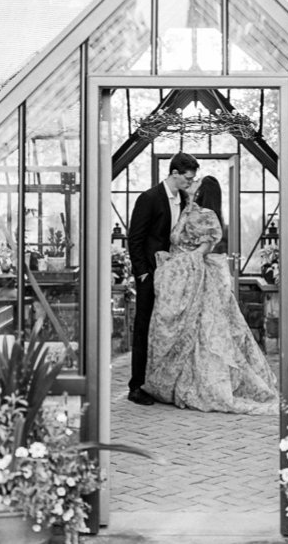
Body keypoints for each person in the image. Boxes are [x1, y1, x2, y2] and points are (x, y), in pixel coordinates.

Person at [144, 175, 279, 415]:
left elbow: (202, 249)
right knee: (190, 330)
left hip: (193, 275)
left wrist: (179, 267)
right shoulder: (189, 209)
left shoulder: (205, 214)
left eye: (196, 181)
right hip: (181, 274)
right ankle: (179, 381)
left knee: (204, 330)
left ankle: (201, 384)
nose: (192, 181)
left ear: (203, 190)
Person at [126, 152, 199, 406]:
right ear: (175, 174)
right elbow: (134, 239)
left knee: (167, 329)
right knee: (144, 328)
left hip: (174, 276)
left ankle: (161, 384)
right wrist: (143, 274)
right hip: (151, 274)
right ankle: (136, 386)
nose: (190, 183)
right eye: (187, 179)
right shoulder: (148, 198)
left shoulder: (185, 199)